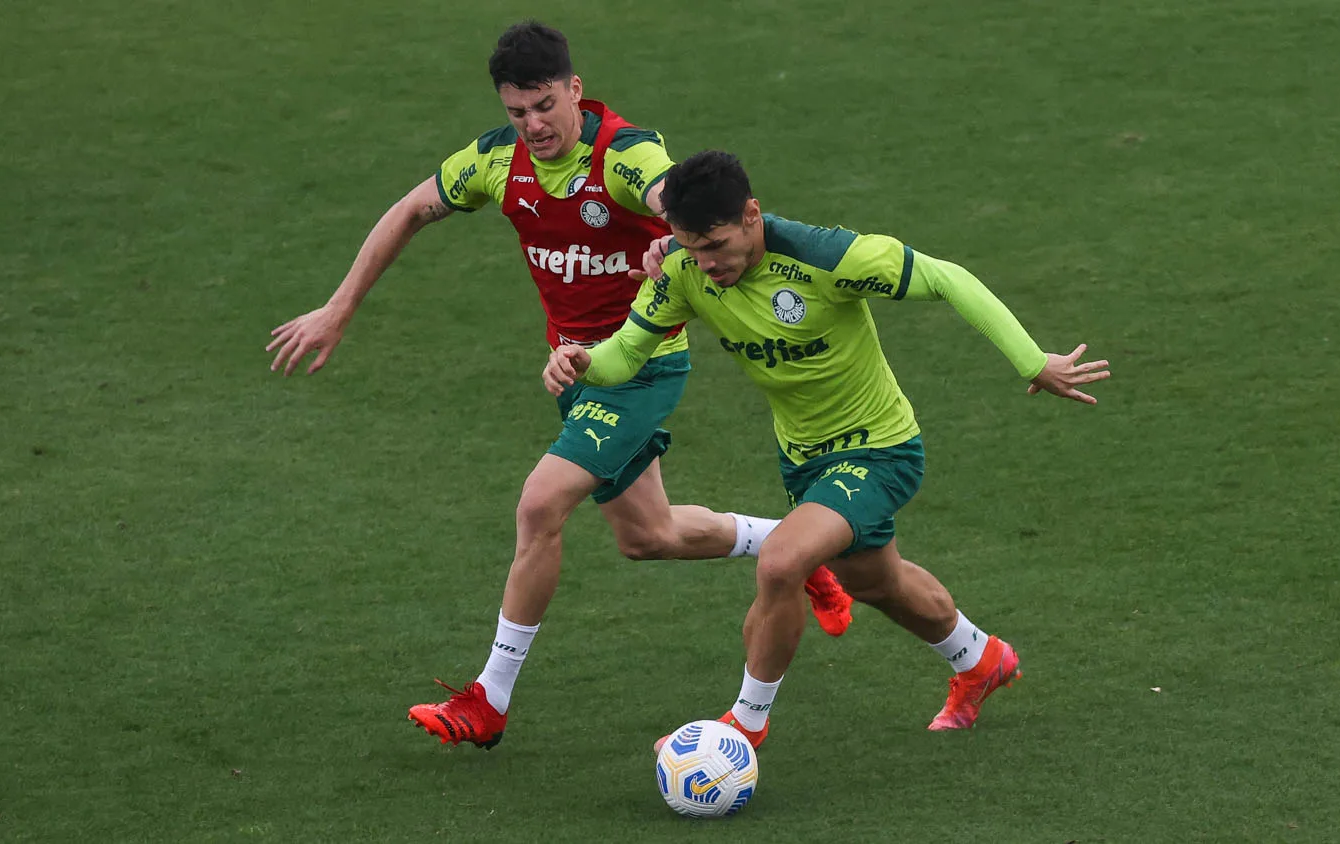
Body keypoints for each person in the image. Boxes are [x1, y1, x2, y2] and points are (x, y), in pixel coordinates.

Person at [265, 24, 853, 751]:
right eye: (518, 112)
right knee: (650, 536)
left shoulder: (623, 156)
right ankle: (798, 549)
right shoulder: (496, 162)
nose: (534, 125)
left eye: (545, 105)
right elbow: (411, 208)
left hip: (642, 363)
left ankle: (489, 699)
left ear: (575, 89)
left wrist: (670, 235)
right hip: (574, 370)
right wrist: (339, 307)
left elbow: (674, 192)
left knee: (540, 502)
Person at [544, 150, 1111, 746]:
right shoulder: (683, 271)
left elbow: (946, 277)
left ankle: (745, 725)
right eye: (689, 246)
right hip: (804, 461)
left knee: (783, 561)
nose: (706, 263)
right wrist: (585, 360)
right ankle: (980, 659)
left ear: (752, 216)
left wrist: (1033, 361)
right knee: (875, 583)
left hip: (880, 450)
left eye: (715, 245)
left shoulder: (829, 258)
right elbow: (628, 353)